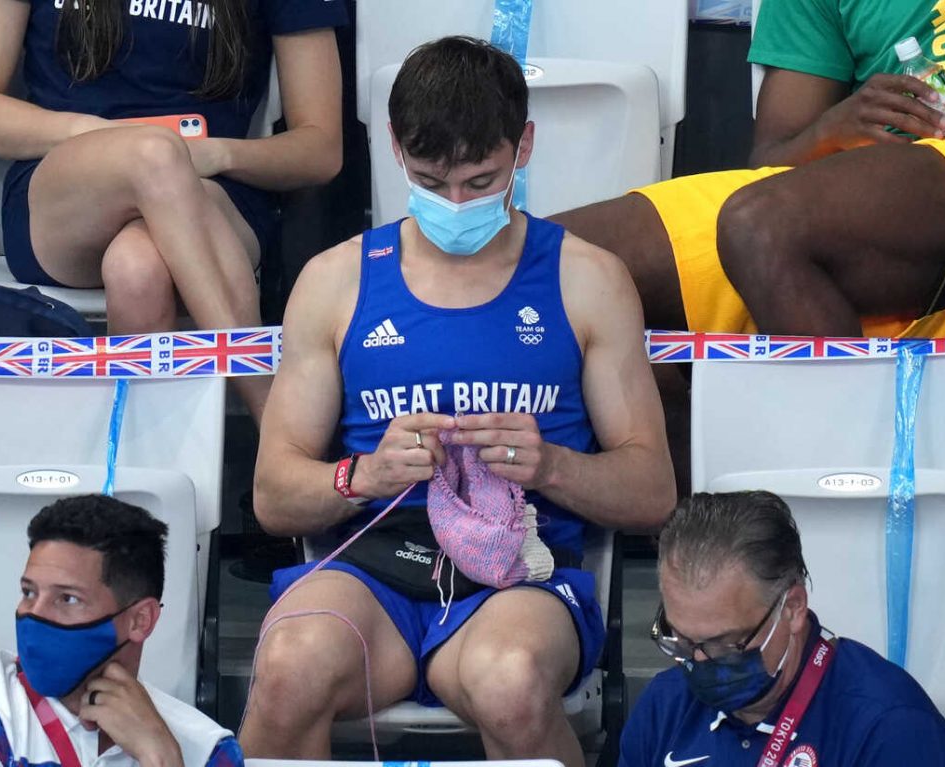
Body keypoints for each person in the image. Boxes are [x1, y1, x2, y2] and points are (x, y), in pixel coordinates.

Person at [243, 36, 676, 765]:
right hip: (371, 569)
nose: (455, 204)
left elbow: (655, 491)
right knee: (288, 670)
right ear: (395, 149)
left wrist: (552, 465)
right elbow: (272, 496)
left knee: (508, 682)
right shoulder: (336, 280)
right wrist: (364, 475)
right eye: (431, 180)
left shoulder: (587, 278)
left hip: (517, 575)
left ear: (524, 147)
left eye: (480, 181)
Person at [0, 0, 348, 422]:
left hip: (211, 190)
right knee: (154, 155)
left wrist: (217, 154)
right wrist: (107, 136)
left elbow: (320, 149)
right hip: (62, 193)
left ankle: (130, 472)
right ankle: (274, 422)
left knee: (138, 269)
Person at [552, 0, 945, 341]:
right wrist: (835, 127)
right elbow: (771, 162)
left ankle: (853, 438)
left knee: (760, 225)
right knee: (537, 262)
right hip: (863, 195)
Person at [619, 491, 945, 767]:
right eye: (679, 639)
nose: (697, 661)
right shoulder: (665, 705)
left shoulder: (890, 729)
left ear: (793, 608)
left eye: (724, 644)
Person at [0, 494, 242, 766]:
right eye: (29, 592)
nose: (33, 614)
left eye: (67, 598)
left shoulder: (204, 749)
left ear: (140, 620)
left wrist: (161, 758)